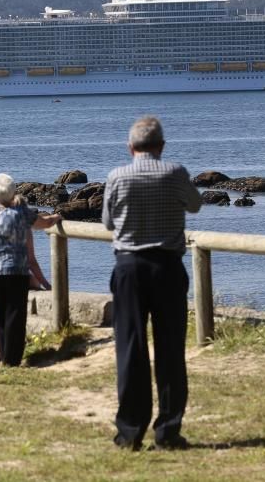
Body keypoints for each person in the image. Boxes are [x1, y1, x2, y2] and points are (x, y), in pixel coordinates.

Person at [102, 116, 202, 451]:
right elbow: (196, 205)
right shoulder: (174, 172)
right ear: (161, 146)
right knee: (171, 350)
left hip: (129, 268)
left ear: (130, 147)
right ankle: (168, 431)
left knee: (130, 349)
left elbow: (106, 221)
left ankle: (130, 432)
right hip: (168, 267)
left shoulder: (117, 176)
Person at [0, 173, 61, 366]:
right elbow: (44, 224)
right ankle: (13, 360)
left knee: (0, 316)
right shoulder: (22, 215)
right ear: (13, 193)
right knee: (15, 315)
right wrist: (55, 217)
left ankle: (5, 358)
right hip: (16, 271)